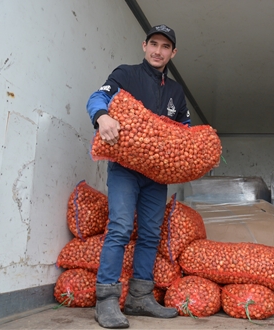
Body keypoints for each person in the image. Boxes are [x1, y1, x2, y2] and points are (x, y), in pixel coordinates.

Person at [86, 24, 191, 329]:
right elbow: (98, 97)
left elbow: (183, 130)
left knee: (149, 233)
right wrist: (102, 116)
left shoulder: (175, 91)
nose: (158, 51)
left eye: (165, 47)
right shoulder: (126, 74)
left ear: (173, 53)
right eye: (154, 44)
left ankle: (140, 297)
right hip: (125, 170)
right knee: (119, 226)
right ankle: (105, 301)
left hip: (156, 175)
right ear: (144, 45)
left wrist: (192, 150)